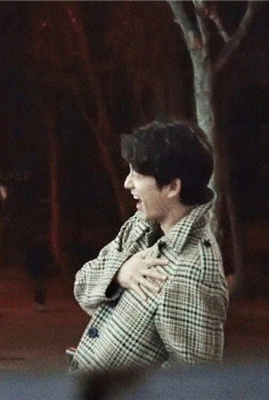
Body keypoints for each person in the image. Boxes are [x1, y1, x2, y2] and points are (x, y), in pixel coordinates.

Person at [71, 121, 228, 371]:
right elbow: (82, 285)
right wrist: (120, 273)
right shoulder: (140, 225)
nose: (127, 183)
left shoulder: (194, 268)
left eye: (137, 175)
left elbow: (193, 381)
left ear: (173, 187)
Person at [25, 234, 54, 311]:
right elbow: (50, 258)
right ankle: (40, 302)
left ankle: (38, 302)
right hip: (41, 270)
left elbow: (28, 259)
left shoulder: (33, 248)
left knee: (39, 287)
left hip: (38, 270)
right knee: (41, 287)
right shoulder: (44, 249)